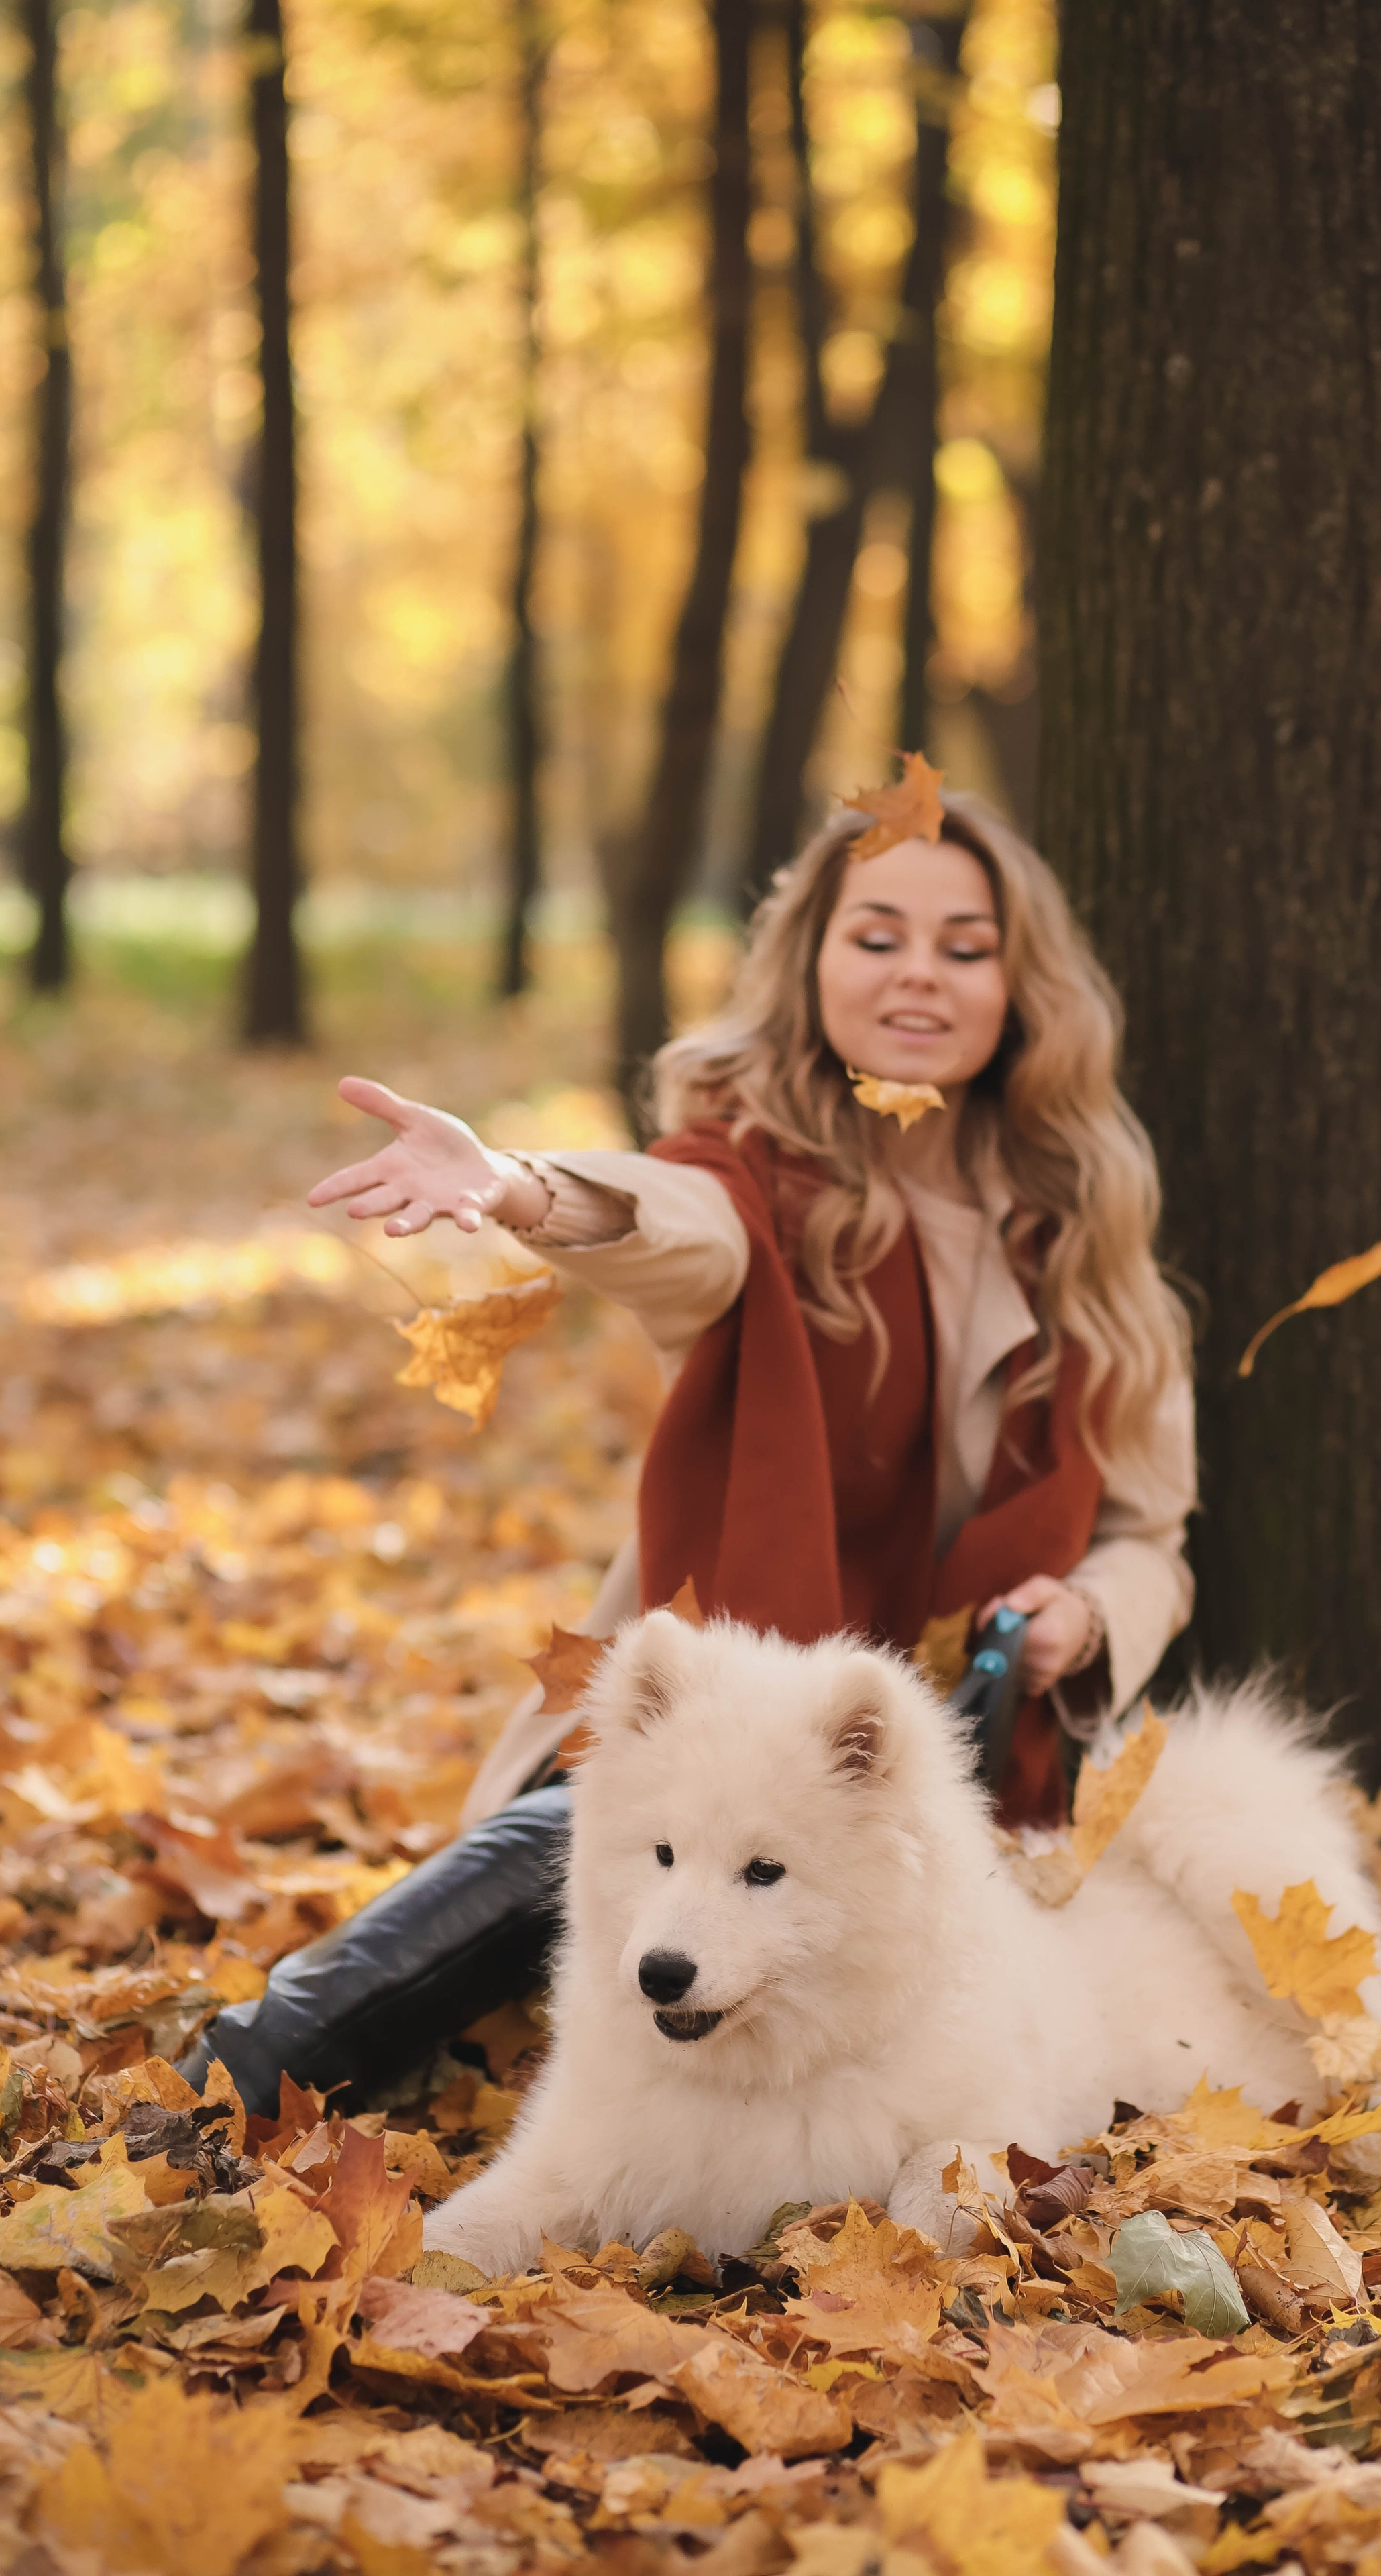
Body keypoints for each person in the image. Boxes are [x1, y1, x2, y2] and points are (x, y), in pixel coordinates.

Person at [182, 792, 1194, 2112]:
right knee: (605, 1827)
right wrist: (519, 1190)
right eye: (875, 936)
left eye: (963, 947)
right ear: (811, 961)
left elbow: (1147, 1536)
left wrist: (1087, 1618)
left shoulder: (1089, 1242)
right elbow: (677, 1225)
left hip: (954, 1760)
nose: (916, 977)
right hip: (712, 1705)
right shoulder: (755, 1180)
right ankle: (245, 2068)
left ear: (1020, 985)